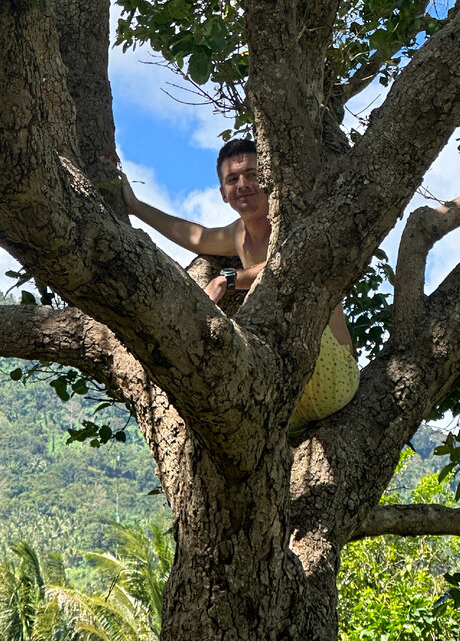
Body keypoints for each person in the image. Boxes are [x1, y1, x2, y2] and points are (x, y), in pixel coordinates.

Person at [121, 138, 360, 427]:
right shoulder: (237, 234)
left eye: (252, 175)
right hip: (288, 398)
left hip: (333, 379)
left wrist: (229, 278)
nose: (243, 184)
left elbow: (286, 264)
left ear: (269, 179)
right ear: (223, 193)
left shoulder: (292, 219)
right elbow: (196, 237)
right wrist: (135, 207)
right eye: (233, 179)